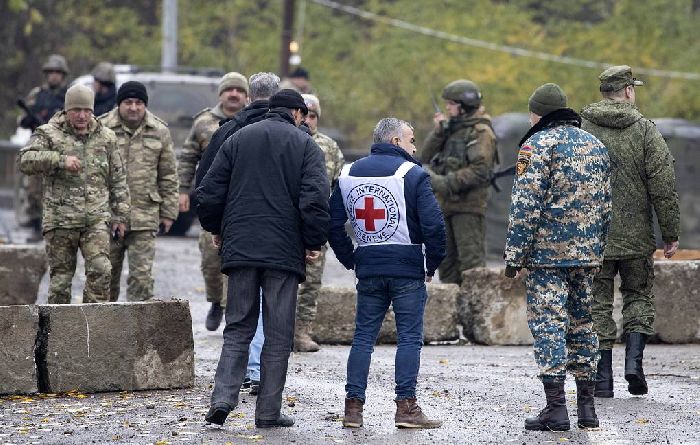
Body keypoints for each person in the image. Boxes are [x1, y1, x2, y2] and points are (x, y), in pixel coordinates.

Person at [197, 89, 329, 428]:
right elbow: (314, 200)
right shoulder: (306, 146)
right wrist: (313, 242)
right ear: (298, 114)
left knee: (239, 327)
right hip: (283, 254)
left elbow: (209, 191)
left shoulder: (239, 138)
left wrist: (216, 228)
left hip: (240, 248)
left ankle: (222, 400)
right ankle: (267, 413)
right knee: (278, 333)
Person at [504, 83, 611, 431]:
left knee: (549, 324)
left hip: (548, 257)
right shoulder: (596, 145)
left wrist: (514, 256)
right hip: (587, 255)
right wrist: (598, 248)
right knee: (583, 324)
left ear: (537, 114)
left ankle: (556, 409)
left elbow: (525, 207)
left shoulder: (536, 146)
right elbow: (607, 205)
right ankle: (587, 409)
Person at [328, 118, 446, 429]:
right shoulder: (414, 174)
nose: (415, 146)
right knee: (409, 338)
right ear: (395, 142)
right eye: (411, 140)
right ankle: (406, 408)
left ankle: (353, 409)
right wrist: (431, 264)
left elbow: (332, 224)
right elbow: (434, 226)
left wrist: (350, 258)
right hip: (407, 268)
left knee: (363, 337)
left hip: (368, 267)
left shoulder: (347, 173)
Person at [580, 65, 681, 398]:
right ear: (626, 91)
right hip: (637, 238)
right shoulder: (645, 131)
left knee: (598, 303)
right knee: (638, 295)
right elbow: (663, 186)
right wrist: (670, 233)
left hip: (593, 236)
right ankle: (633, 367)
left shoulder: (581, 128)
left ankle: (602, 379)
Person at [195, 71, 283, 394]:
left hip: (238, 233)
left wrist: (216, 227)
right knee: (272, 309)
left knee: (240, 310)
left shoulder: (226, 133)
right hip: (279, 237)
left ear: (248, 97)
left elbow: (205, 186)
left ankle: (230, 385)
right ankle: (259, 374)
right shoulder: (293, 135)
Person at [18, 84, 130, 304]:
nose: (81, 116)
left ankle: (92, 328)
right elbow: (25, 160)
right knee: (60, 282)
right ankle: (58, 333)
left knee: (101, 271)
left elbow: (118, 178)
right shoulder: (49, 133)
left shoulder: (106, 137)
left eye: (87, 111)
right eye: (76, 110)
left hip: (96, 220)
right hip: (61, 221)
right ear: (66, 110)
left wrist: (120, 216)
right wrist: (59, 160)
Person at [178, 72, 249, 331]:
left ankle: (233, 309)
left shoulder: (252, 121)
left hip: (241, 200)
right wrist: (183, 190)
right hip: (211, 202)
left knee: (238, 260)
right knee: (210, 259)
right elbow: (187, 158)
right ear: (220, 94)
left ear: (246, 95)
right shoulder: (203, 122)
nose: (234, 94)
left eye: (239, 90)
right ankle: (216, 302)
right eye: (229, 89)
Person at [99, 81, 179, 301]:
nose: (133, 108)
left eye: (138, 103)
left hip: (145, 217)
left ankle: (138, 331)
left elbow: (169, 174)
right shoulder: (102, 128)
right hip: (108, 217)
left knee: (141, 280)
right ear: (119, 104)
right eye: (128, 102)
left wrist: (169, 213)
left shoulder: (159, 130)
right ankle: (106, 330)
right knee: (105, 278)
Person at [420, 79, 498, 285]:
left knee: (471, 267)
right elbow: (425, 157)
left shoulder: (481, 132)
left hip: (468, 208)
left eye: (452, 104)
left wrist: (446, 182)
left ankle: (475, 315)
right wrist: (439, 131)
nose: (447, 107)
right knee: (446, 265)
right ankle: (453, 314)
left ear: (464, 106)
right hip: (445, 206)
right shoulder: (451, 128)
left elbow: (480, 170)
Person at [292, 93, 345, 353]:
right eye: (305, 114)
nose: (309, 120)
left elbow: (340, 187)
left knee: (311, 283)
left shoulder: (329, 147)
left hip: (315, 226)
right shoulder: (287, 141)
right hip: (287, 226)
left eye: (314, 116)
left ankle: (301, 332)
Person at [18, 54, 71, 241]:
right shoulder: (36, 94)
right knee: (33, 188)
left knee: (59, 187)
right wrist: (26, 120)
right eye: (51, 72)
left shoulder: (69, 96)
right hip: (37, 143)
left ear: (63, 75)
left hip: (60, 144)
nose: (54, 76)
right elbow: (22, 120)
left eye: (58, 73)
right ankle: (35, 225)